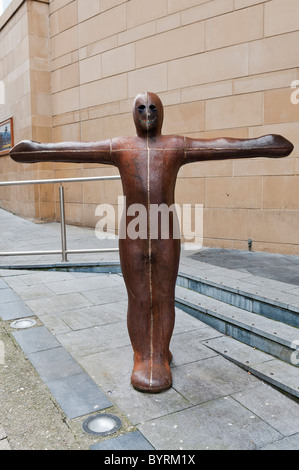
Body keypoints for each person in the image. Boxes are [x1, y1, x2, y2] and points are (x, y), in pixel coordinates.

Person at [10, 92, 294, 393]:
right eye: (141, 108)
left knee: (163, 295)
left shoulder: (175, 146)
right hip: (133, 232)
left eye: (153, 108)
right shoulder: (121, 146)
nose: (147, 113)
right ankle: (144, 356)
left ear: (162, 113)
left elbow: (218, 146)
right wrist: (37, 150)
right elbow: (77, 150)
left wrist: (260, 144)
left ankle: (159, 354)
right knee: (139, 297)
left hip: (164, 231)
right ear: (133, 114)